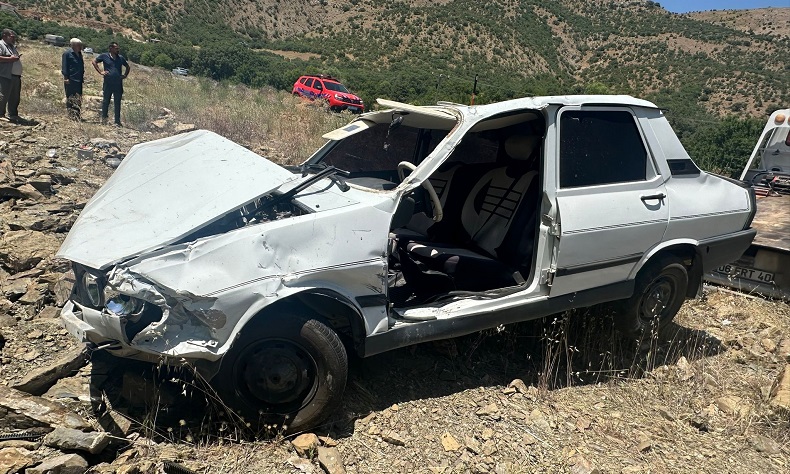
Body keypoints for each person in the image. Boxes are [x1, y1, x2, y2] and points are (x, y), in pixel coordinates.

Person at [93, 42, 130, 126]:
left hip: (118, 83)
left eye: (118, 48)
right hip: (108, 83)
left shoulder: (120, 58)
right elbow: (94, 62)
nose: (118, 50)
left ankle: (117, 121)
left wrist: (125, 75)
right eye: (116, 48)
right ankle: (104, 119)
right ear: (111, 48)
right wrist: (100, 72)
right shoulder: (104, 56)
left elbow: (127, 67)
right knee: (106, 101)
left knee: (117, 102)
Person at [0, 29, 24, 123]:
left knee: (15, 96)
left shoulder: (12, 46)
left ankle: (13, 114)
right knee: (3, 95)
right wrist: (10, 59)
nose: (14, 39)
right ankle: (1, 114)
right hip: (5, 75)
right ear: (5, 36)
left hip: (15, 76)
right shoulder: (1, 45)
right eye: (12, 37)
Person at [61, 38, 84, 121]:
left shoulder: (79, 54)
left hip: (79, 79)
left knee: (78, 97)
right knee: (70, 97)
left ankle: (77, 115)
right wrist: (66, 77)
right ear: (73, 45)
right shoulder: (67, 54)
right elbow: (65, 66)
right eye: (79, 45)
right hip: (71, 79)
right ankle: (71, 115)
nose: (80, 47)